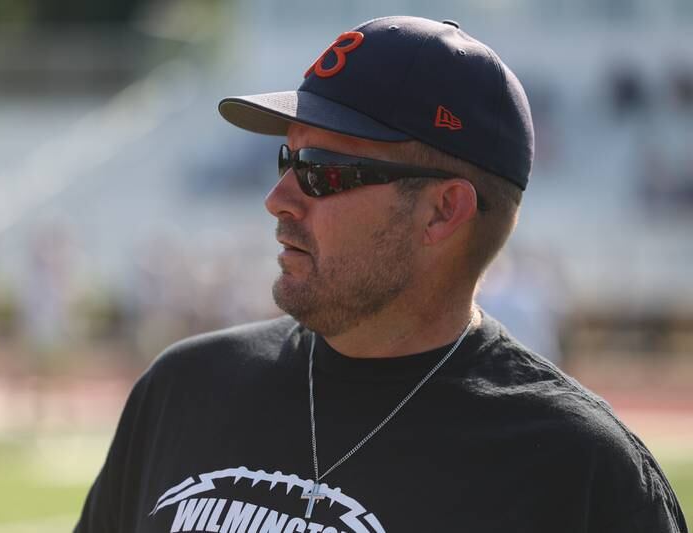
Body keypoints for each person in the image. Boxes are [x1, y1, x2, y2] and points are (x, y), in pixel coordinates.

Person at [75, 17, 687, 533]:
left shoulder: (580, 473)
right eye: (286, 157)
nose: (279, 197)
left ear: (442, 211)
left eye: (321, 168)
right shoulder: (183, 389)